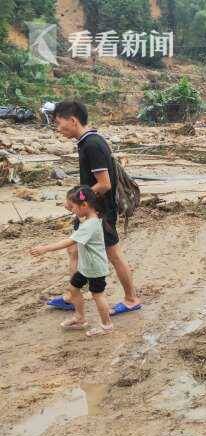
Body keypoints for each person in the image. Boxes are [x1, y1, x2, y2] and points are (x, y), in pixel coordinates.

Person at [46, 101, 142, 316]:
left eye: (60, 124)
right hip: (88, 210)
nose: (58, 129)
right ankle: (72, 296)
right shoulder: (87, 141)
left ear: (73, 120)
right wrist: (78, 202)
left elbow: (105, 184)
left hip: (99, 213)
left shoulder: (92, 144)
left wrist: (77, 200)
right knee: (74, 249)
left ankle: (131, 298)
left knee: (114, 255)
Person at [31, 186, 114, 336]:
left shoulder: (90, 224)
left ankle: (106, 326)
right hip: (85, 267)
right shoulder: (89, 218)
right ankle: (80, 317)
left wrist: (45, 248)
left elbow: (68, 242)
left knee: (97, 295)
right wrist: (70, 202)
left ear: (84, 205)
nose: (72, 210)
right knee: (73, 289)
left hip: (95, 268)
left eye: (73, 207)